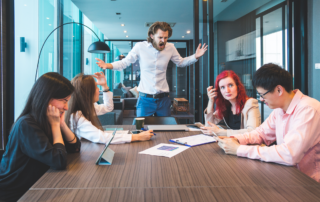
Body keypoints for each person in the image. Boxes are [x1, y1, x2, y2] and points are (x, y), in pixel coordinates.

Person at [217, 63, 320, 182]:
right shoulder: (279, 110)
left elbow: (290, 154)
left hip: (309, 184)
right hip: (287, 176)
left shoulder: (308, 109)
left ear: (279, 90)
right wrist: (235, 139)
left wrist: (239, 149)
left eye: (262, 95)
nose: (261, 99)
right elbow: (260, 133)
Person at [95, 21, 208, 117]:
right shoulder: (140, 47)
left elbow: (181, 62)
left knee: (165, 131)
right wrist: (107, 65)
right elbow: (125, 63)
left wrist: (195, 56)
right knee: (141, 130)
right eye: (160, 37)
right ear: (151, 35)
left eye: (165, 38)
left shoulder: (170, 47)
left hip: (163, 99)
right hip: (145, 100)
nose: (163, 41)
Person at [0, 72, 81, 202]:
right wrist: (55, 126)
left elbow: (75, 147)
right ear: (47, 98)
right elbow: (59, 161)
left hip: (36, 186)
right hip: (16, 193)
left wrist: (62, 125)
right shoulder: (27, 124)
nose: (66, 107)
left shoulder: (46, 120)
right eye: (64, 101)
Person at [65, 72, 154, 144]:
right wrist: (137, 137)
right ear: (87, 92)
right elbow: (102, 138)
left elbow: (108, 107)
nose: (98, 90)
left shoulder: (87, 108)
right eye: (96, 87)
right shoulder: (77, 116)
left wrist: (105, 86)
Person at [202, 70, 261, 137]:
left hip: (247, 146)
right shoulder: (226, 106)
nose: (227, 91)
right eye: (222, 87)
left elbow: (253, 132)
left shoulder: (250, 103)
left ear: (238, 86)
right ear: (220, 91)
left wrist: (220, 132)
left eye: (230, 85)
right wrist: (211, 101)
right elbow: (209, 125)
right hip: (231, 144)